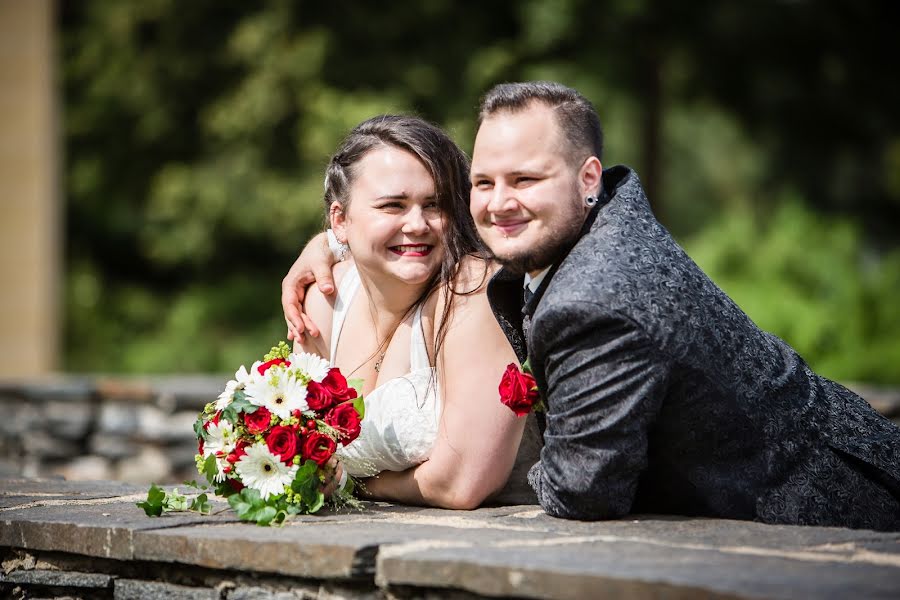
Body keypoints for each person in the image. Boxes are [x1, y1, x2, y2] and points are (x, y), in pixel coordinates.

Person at [285, 83, 900, 530]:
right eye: (483, 183)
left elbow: (583, 490)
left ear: (588, 179)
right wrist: (331, 246)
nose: (499, 203)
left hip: (835, 502)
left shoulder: (595, 296)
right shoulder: (602, 220)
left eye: (525, 180)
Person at [295, 115, 540, 509]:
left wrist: (350, 484)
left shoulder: (472, 287)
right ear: (340, 221)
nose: (417, 224)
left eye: (434, 205)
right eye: (393, 205)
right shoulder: (322, 297)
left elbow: (463, 484)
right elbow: (302, 451)